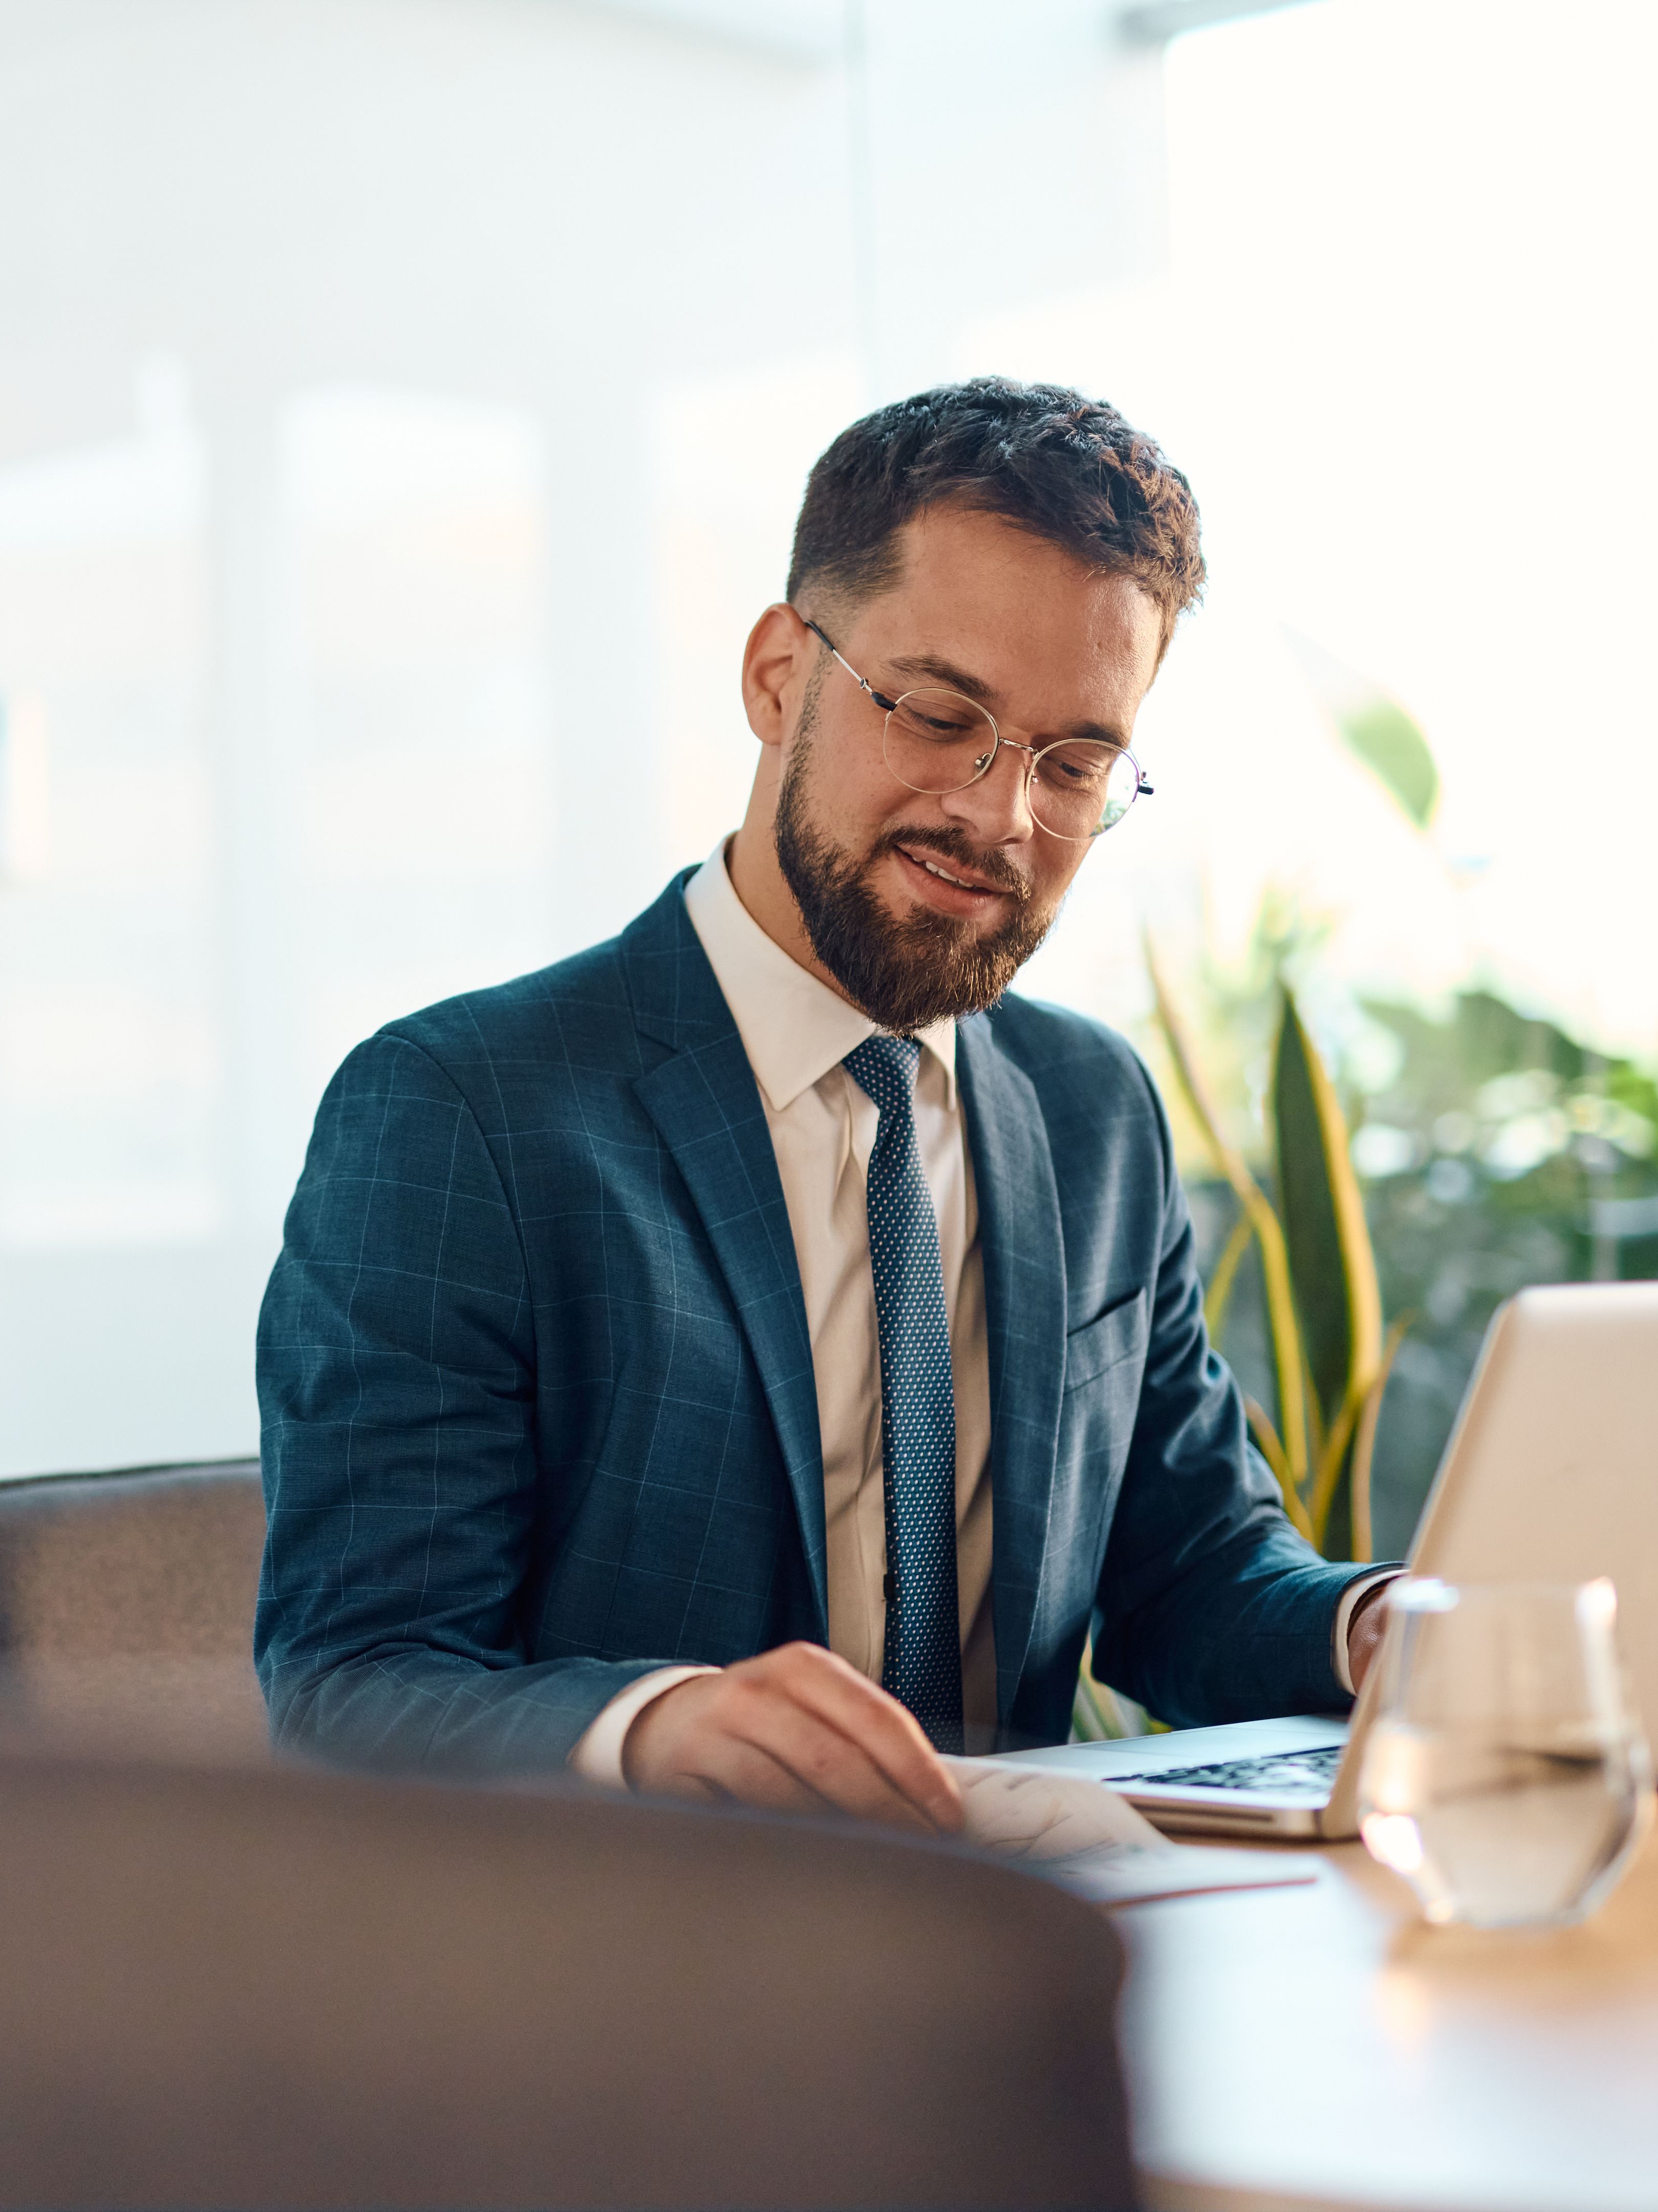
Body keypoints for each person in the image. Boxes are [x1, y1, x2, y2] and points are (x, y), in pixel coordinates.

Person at [253, 376, 1397, 1836]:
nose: (1003, 817)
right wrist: (656, 1727)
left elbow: (1189, 1574)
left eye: (1077, 762)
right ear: (779, 676)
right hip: (651, 1974)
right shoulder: (461, 1117)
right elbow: (354, 1682)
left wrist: (1384, 1626)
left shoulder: (1092, 1109)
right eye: (940, 714)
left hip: (1028, 1949)